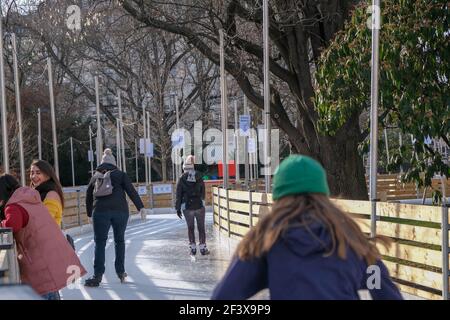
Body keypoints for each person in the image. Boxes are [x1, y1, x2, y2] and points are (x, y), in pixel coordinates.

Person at [211, 155, 403, 300]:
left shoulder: (267, 240)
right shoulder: (351, 240)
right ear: (323, 193)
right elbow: (382, 290)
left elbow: (224, 296)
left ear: (278, 197)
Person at [0, 174, 86, 300]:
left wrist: (1, 223)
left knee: (44, 289)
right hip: (49, 253)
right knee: (50, 288)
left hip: (37, 259)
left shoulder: (13, 206)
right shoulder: (28, 199)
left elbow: (12, 225)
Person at [84, 148, 145, 287]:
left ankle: (97, 276)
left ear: (102, 163)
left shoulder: (96, 176)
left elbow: (88, 195)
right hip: (120, 212)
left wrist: (89, 214)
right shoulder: (121, 175)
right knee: (119, 241)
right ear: (114, 163)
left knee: (100, 243)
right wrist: (140, 207)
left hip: (100, 211)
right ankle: (121, 272)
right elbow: (131, 190)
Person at [175, 155, 209, 256]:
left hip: (187, 206)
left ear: (184, 167)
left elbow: (178, 194)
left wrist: (178, 208)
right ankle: (203, 248)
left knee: (190, 227)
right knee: (201, 227)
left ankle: (193, 248)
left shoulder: (181, 178)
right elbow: (203, 191)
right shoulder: (199, 176)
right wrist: (202, 200)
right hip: (199, 205)